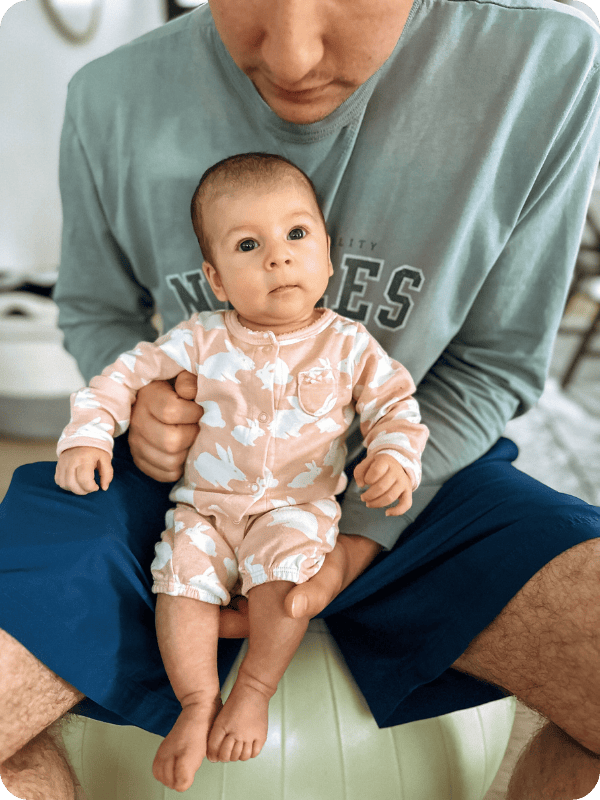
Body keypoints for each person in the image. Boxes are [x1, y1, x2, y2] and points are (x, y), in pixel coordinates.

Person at [1, 1, 600, 799]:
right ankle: (196, 701)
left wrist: (365, 522)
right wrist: (136, 408)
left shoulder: (550, 63)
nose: (289, 56)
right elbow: (98, 315)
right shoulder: (108, 94)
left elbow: (490, 366)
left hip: (420, 482)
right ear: (216, 276)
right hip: (183, 493)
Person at [54, 152, 429, 792]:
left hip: (296, 508)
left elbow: (396, 406)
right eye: (249, 245)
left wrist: (393, 457)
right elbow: (122, 376)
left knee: (287, 580)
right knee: (179, 581)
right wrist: (87, 436)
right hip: (205, 507)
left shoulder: (348, 345)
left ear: (328, 255)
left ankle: (253, 686)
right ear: (217, 279)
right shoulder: (201, 338)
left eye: (297, 235)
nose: (278, 258)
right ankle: (198, 701)